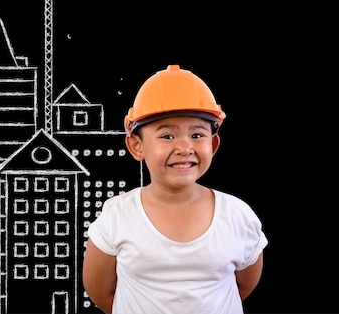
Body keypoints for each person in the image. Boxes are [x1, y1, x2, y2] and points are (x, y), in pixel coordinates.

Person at [82, 64, 268, 314]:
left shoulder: (237, 215)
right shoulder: (117, 215)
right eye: (167, 136)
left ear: (213, 145)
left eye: (197, 135)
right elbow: (101, 291)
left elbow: (242, 286)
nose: (184, 147)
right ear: (137, 146)